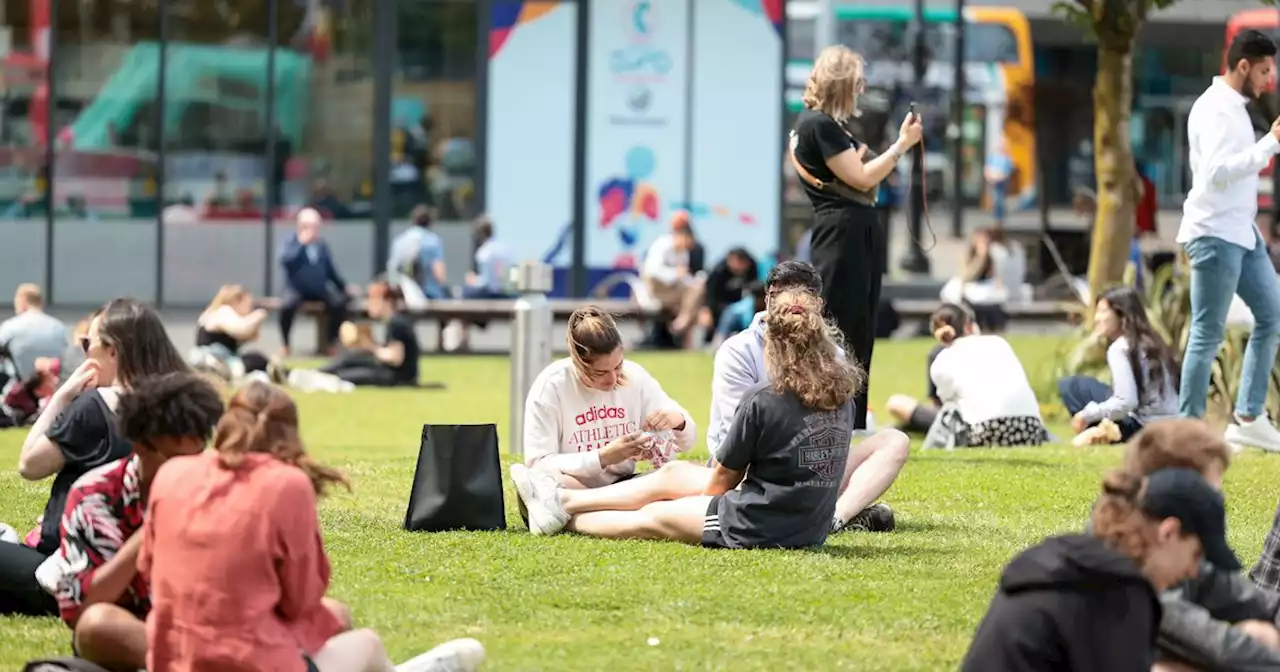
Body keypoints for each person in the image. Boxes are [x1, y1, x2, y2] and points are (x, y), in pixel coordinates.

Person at [141, 382, 485, 672]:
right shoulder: (285, 485)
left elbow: (149, 568)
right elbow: (301, 598)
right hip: (247, 660)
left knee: (337, 616)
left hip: (174, 657)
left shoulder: (173, 473)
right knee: (367, 644)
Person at [513, 289, 860, 548]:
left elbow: (721, 482)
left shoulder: (762, 401)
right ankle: (560, 501)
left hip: (759, 522)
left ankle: (562, 513)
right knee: (673, 476)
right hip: (810, 523)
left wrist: (687, 496)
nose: (614, 376)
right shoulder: (843, 397)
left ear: (775, 348)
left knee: (654, 517)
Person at [1, 298, 188, 618]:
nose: (85, 351)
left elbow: (29, 465)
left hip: (70, 573)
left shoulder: (96, 406)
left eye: (89, 342)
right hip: (149, 572)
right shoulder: (181, 407)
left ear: (112, 351)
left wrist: (62, 396)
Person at [961, 467, 1240, 671]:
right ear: (1168, 533)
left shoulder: (1073, 563)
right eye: (1195, 555)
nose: (1193, 571)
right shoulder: (1120, 591)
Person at [35, 372, 224, 671]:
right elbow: (80, 607)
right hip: (137, 630)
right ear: (141, 447)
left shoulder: (220, 489)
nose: (190, 469)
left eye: (198, 456)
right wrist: (152, 529)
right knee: (96, 626)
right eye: (176, 459)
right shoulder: (96, 495)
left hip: (209, 628)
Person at [707, 260, 907, 533]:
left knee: (894, 440)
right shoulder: (738, 351)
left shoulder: (833, 354)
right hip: (754, 470)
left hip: (813, 465)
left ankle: (835, 518)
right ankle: (823, 512)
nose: (793, 303)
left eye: (804, 295)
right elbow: (735, 441)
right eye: (782, 295)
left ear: (818, 304)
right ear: (767, 300)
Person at [790, 45, 923, 430]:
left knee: (853, 325)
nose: (861, 91)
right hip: (845, 230)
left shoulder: (812, 125)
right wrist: (902, 146)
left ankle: (846, 416)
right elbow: (863, 177)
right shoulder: (821, 126)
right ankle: (836, 417)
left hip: (845, 228)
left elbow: (861, 174)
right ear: (844, 84)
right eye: (858, 83)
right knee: (845, 325)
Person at [1109, 420, 1280, 671]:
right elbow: (1218, 646)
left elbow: (1260, 601)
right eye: (1209, 494)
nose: (1215, 506)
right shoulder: (1119, 563)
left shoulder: (1180, 556)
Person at [1178, 29, 1280, 451]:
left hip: (1242, 230)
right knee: (1207, 333)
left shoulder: (1235, 107)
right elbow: (1217, 173)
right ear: (1243, 66)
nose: (1270, 79)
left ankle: (1248, 416)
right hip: (1215, 233)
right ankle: (1187, 431)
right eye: (1265, 70)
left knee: (1273, 316)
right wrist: (1270, 145)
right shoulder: (1217, 109)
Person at [520, 306, 695, 490]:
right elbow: (538, 465)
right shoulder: (552, 386)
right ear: (578, 363)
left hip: (623, 484)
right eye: (601, 372)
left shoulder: (634, 376)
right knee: (554, 485)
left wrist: (677, 420)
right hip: (574, 487)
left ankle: (614, 508)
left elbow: (687, 441)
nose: (612, 379)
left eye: (618, 366)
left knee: (687, 473)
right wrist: (602, 457)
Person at [1058, 286, 1179, 444]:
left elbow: (1126, 402)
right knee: (1089, 386)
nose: (1096, 318)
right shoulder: (1154, 341)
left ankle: (1102, 433)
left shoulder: (1121, 347)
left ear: (1122, 316)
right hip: (1173, 425)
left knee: (1072, 386)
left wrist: (1085, 415)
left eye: (1102, 311)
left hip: (1143, 428)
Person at [927, 303, 1048, 447]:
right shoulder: (999, 342)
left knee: (950, 409)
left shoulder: (942, 359)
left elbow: (946, 401)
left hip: (985, 432)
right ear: (969, 326)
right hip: (1031, 430)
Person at [279, 207, 357, 356]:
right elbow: (286, 261)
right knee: (287, 307)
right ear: (301, 226)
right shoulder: (291, 242)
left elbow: (330, 271)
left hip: (319, 289)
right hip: (297, 289)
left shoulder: (321, 246)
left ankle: (330, 342)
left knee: (339, 303)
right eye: (311, 226)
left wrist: (344, 287)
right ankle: (286, 344)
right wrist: (301, 244)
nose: (315, 230)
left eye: (316, 227)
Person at [321, 280, 421, 387]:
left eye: (373, 300)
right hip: (391, 371)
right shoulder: (396, 319)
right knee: (349, 360)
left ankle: (320, 378)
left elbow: (395, 358)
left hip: (398, 376)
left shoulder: (396, 323)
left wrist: (370, 346)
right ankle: (318, 372)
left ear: (386, 301)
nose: (369, 304)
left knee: (344, 376)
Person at [642, 212, 705, 346]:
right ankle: (682, 324)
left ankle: (682, 324)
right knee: (692, 301)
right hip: (655, 289)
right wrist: (675, 273)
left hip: (672, 293)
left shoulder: (683, 253)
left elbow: (685, 279)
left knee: (697, 290)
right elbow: (652, 271)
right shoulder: (663, 244)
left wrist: (694, 281)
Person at [189, 284, 272, 382]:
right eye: (249, 305)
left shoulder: (218, 311)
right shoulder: (223, 310)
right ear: (236, 301)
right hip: (212, 355)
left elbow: (251, 336)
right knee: (254, 361)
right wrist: (259, 315)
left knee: (257, 359)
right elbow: (242, 328)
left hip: (222, 356)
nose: (250, 309)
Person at [0, 283, 68, 381]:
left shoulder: (10, 327)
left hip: (20, 388)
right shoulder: (59, 327)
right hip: (52, 387)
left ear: (22, 300)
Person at [388, 204, 447, 305]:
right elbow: (439, 273)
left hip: (400, 293)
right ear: (430, 222)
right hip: (427, 294)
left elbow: (392, 267)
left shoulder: (400, 240)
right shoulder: (433, 241)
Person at [699, 248, 759, 344]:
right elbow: (711, 293)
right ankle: (718, 340)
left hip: (744, 304)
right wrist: (707, 309)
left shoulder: (752, 267)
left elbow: (756, 287)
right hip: (721, 304)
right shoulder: (719, 270)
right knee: (728, 315)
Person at [883, 342, 945, 434]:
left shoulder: (939, 352)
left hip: (952, 418)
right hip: (965, 416)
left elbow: (935, 400)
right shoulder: (972, 345)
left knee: (896, 402)